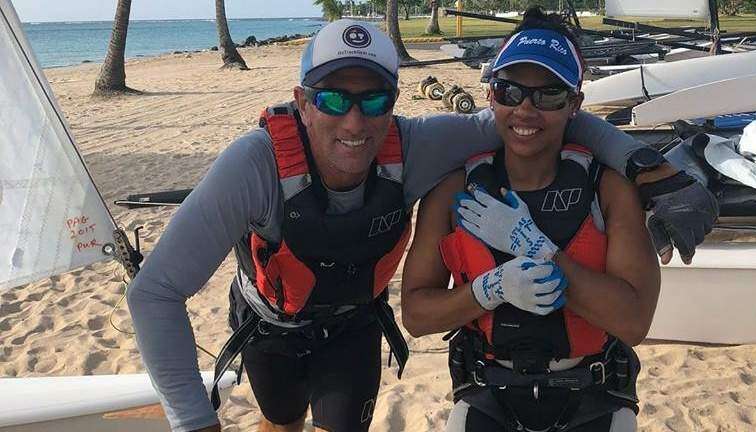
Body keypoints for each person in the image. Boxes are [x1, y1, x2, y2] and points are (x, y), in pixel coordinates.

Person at [126, 18, 713, 432]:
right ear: (300, 100)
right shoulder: (253, 167)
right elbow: (154, 290)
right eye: (333, 99)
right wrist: (193, 422)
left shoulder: (414, 147)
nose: (355, 121)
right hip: (270, 322)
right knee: (279, 422)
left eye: (375, 100)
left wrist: (641, 165)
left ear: (396, 101)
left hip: (354, 322)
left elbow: (533, 121)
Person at [401, 8, 661, 431]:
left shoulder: (608, 189)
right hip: (488, 394)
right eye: (509, 91)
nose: (525, 109)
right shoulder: (453, 191)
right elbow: (415, 314)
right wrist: (490, 289)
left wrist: (539, 250)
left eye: (549, 95)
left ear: (574, 104)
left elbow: (633, 322)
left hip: (593, 397)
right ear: (490, 96)